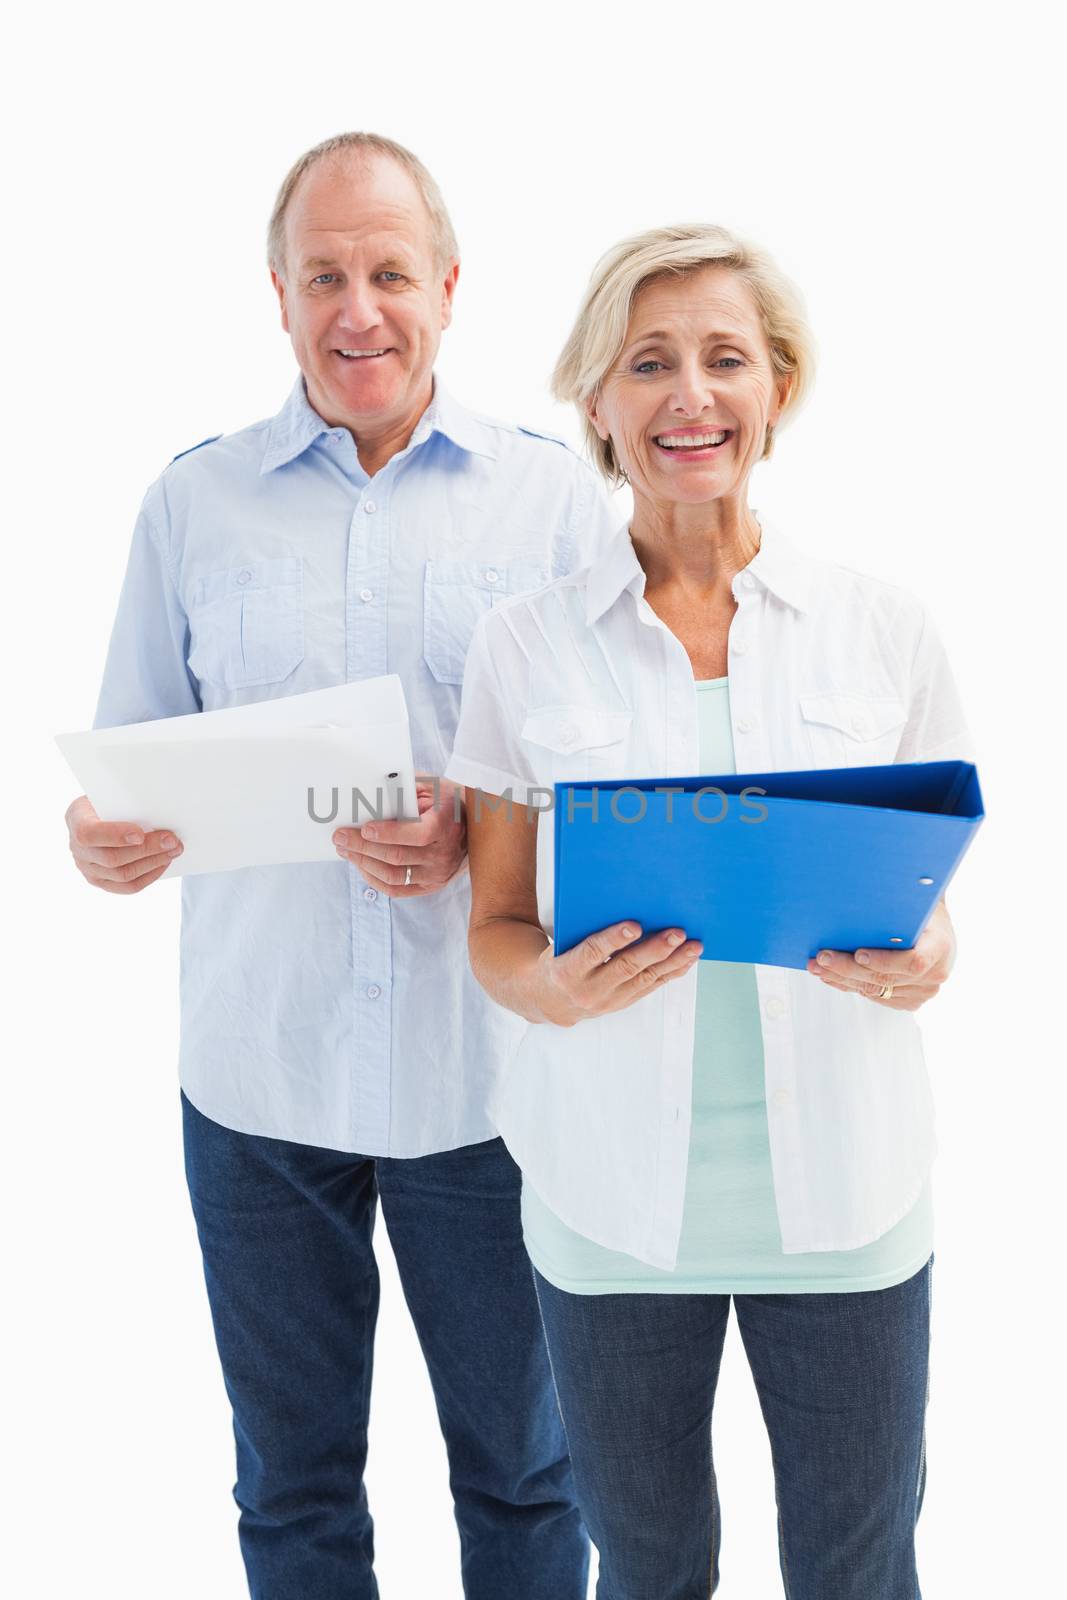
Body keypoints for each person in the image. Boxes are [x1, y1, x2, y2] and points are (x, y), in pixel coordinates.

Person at [64, 132, 619, 1600]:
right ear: (280, 294)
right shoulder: (195, 502)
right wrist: (99, 840)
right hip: (258, 1078)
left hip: (484, 1080)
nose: (356, 308)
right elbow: (129, 758)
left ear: (447, 286)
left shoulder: (554, 505)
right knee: (292, 1486)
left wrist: (479, 832)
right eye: (325, 276)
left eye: (387, 272)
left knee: (527, 1478)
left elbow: (616, 794)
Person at [446, 223, 974, 1599]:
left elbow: (932, 912)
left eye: (725, 359)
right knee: (651, 1565)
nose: (690, 395)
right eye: (649, 364)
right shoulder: (524, 647)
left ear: (777, 389)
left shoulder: (884, 628)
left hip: (847, 1199)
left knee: (861, 1569)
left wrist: (926, 959)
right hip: (610, 1205)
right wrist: (551, 988)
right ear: (599, 407)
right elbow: (496, 926)